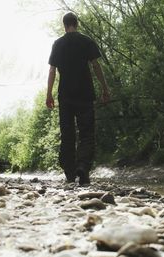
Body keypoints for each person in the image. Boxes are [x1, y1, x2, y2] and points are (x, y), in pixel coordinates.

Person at [46, 12, 110, 185]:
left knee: (67, 134)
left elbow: (52, 71)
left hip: (65, 96)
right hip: (85, 94)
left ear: (64, 25)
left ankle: (69, 172)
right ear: (77, 24)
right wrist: (105, 88)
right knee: (87, 133)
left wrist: (49, 94)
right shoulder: (86, 41)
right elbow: (96, 65)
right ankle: (83, 167)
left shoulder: (58, 44)